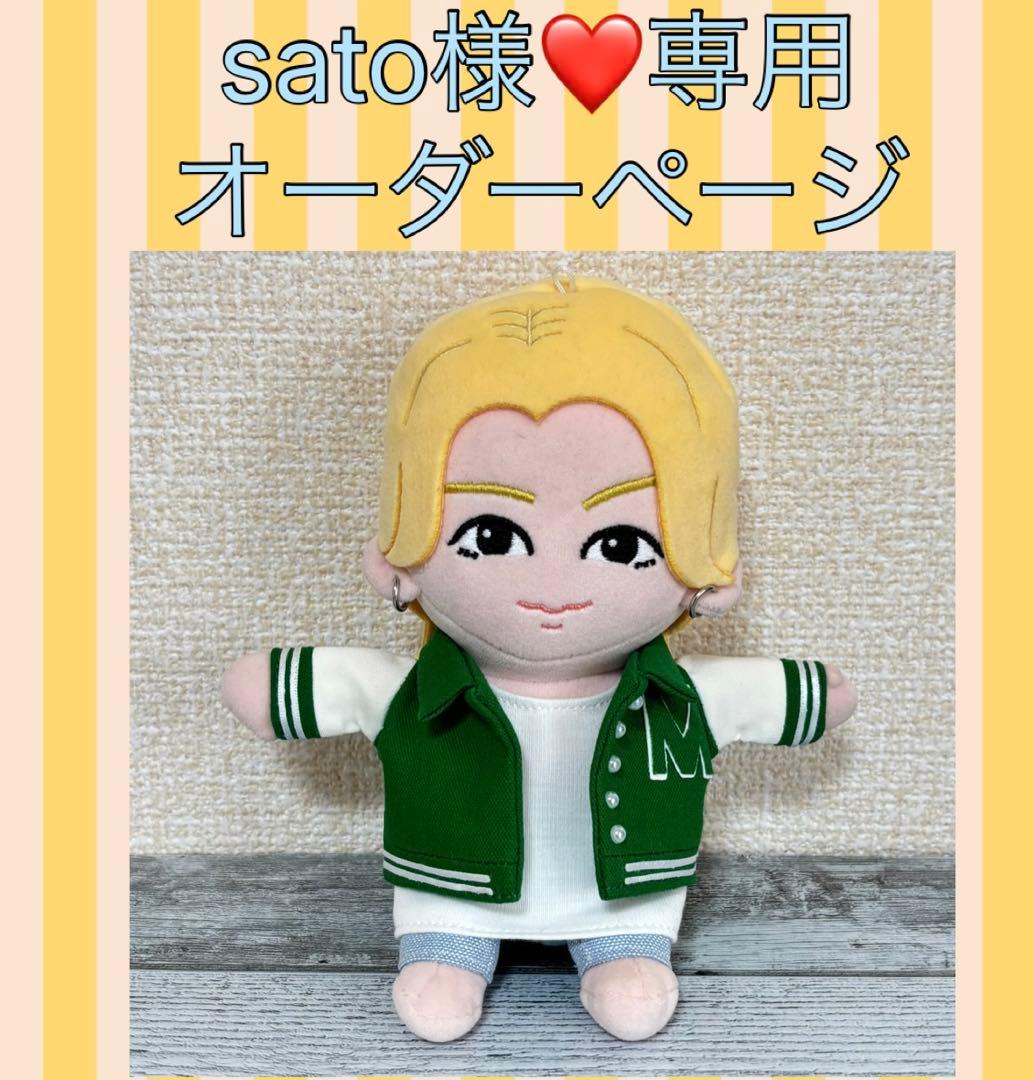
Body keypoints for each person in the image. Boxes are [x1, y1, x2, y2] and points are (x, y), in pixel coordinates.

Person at [223, 276, 857, 1043]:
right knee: (440, 974)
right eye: (491, 536)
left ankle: (621, 952)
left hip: (623, 899)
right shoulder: (414, 692)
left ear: (708, 573)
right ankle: (449, 950)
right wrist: (270, 688)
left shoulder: (678, 695)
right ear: (397, 558)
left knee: (630, 982)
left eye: (620, 544)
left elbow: (794, 696)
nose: (553, 585)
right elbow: (309, 686)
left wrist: (816, 694)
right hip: (453, 891)